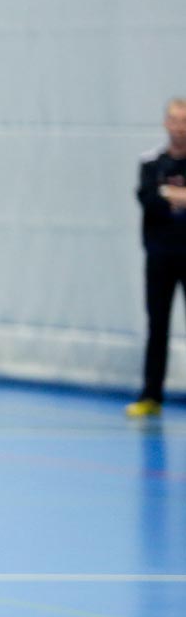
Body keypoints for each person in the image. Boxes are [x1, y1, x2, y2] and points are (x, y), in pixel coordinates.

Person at [126, 97, 186, 418]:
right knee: (157, 325)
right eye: (174, 120)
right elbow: (148, 198)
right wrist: (174, 197)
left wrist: (170, 195)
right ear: (166, 123)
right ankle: (151, 395)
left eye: (184, 121)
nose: (179, 128)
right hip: (160, 256)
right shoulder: (152, 163)